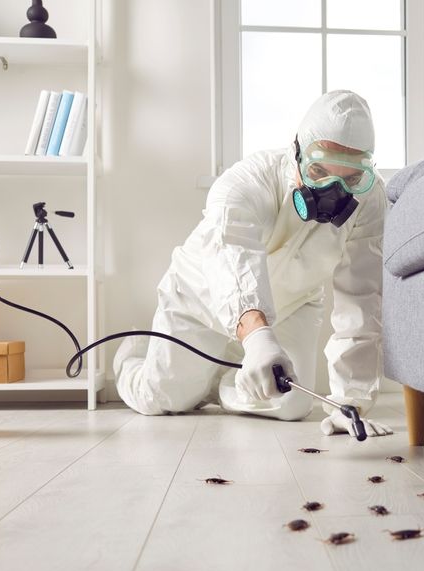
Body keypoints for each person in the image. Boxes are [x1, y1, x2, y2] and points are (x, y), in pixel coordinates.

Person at [114, 90, 392, 438]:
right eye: (319, 171)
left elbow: (362, 298)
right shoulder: (246, 182)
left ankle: (217, 382)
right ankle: (135, 355)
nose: (332, 192)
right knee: (161, 398)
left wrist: (350, 401)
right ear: (296, 153)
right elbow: (235, 254)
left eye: (350, 179)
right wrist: (258, 336)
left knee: (291, 404)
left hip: (294, 304)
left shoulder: (370, 199)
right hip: (200, 298)